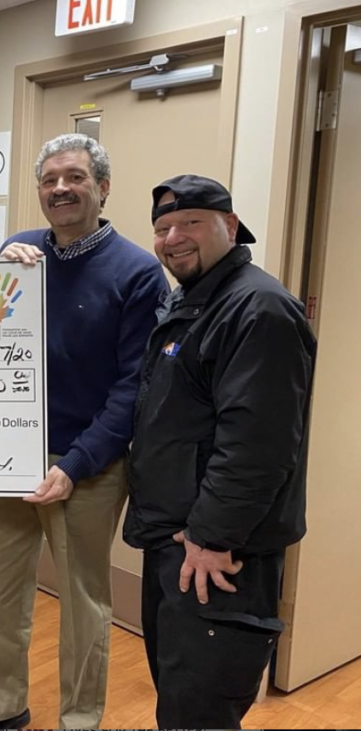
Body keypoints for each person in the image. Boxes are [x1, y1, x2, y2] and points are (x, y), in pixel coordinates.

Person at [0, 133, 168, 730]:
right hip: (9, 456)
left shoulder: (138, 273)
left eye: (75, 177)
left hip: (90, 467)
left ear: (102, 188)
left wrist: (74, 465)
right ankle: (2, 710)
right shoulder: (21, 252)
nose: (61, 188)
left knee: (83, 604)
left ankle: (79, 720)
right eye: (50, 179)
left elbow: (132, 388)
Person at [125, 174, 315, 730]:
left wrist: (213, 537)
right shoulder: (195, 300)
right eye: (162, 228)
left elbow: (258, 446)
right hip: (177, 542)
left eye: (190, 223)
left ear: (230, 226)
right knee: (180, 693)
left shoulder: (259, 310)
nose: (172, 238)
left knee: (201, 710)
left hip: (217, 556)